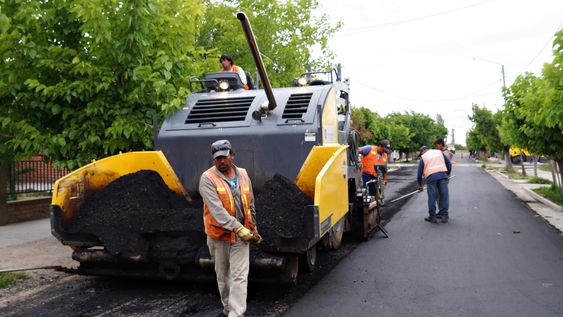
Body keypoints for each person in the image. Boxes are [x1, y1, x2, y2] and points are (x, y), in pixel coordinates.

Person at [199, 139, 261, 317]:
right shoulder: (207, 179)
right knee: (224, 278)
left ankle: (236, 314)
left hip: (242, 237)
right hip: (219, 236)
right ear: (214, 160)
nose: (222, 161)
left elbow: (250, 203)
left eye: (225, 157)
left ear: (232, 155)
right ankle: (228, 310)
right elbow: (217, 211)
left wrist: (252, 227)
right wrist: (239, 228)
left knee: (239, 277)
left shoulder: (243, 174)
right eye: (218, 158)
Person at [417, 145, 452, 223]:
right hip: (442, 176)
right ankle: (444, 216)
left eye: (421, 153)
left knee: (432, 197)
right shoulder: (439, 152)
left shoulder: (424, 157)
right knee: (444, 196)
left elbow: (419, 174)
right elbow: (449, 164)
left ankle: (432, 217)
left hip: (431, 178)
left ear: (423, 151)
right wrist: (447, 174)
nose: (421, 155)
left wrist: (419, 185)